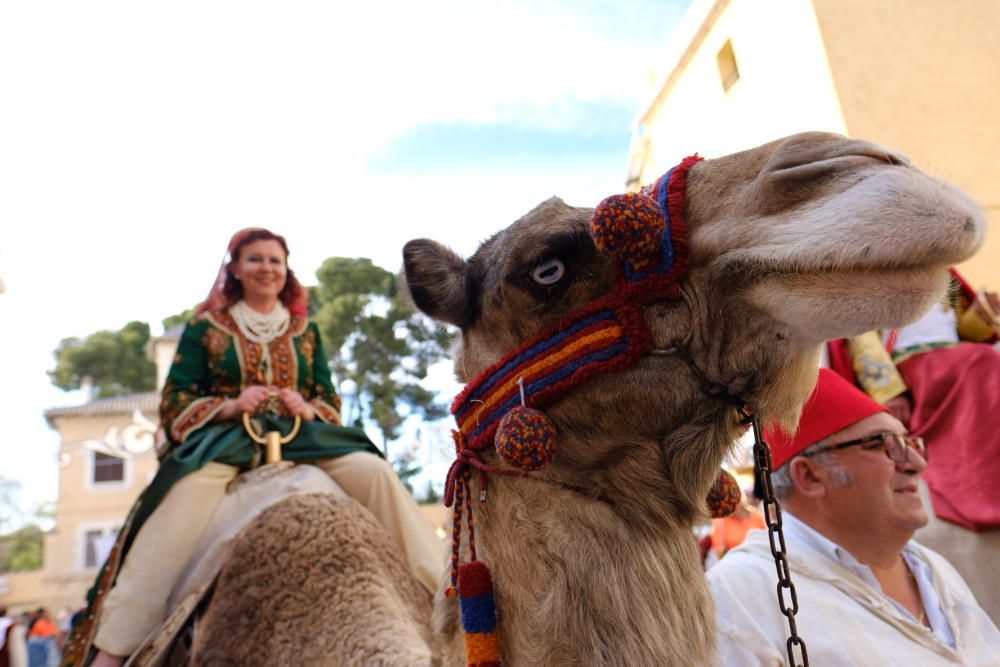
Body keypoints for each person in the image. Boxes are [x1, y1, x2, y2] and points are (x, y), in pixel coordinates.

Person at [65, 228, 443, 667]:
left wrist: (306, 404)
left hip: (303, 437)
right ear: (236, 269)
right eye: (256, 260)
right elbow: (175, 402)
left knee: (375, 472)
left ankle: (446, 597)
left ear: (286, 271)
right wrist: (227, 406)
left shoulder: (305, 331)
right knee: (174, 513)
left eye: (275, 261)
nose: (267, 268)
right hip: (225, 440)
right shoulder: (205, 329)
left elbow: (329, 400)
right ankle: (116, 648)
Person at [708, 369, 1000, 665]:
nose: (917, 463)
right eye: (883, 444)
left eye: (911, 444)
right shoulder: (742, 593)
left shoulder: (933, 567)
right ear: (810, 476)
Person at [827, 269, 1000, 531]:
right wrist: (889, 391)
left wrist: (982, 313)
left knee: (982, 359)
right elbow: (861, 339)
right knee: (983, 360)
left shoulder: (945, 275)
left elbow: (963, 330)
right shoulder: (879, 274)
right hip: (916, 364)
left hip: (955, 359)